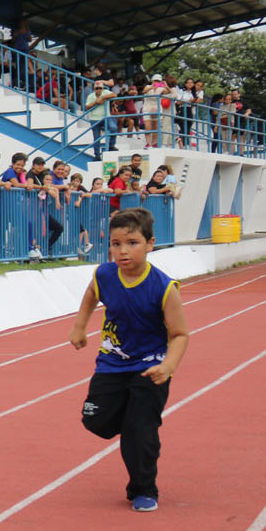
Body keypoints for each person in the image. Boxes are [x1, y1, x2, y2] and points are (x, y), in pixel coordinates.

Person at [68, 207, 188, 512]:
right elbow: (91, 295)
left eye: (132, 243)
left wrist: (168, 366)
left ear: (150, 243)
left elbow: (179, 334)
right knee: (95, 419)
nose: (123, 251)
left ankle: (143, 489)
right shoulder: (105, 274)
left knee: (140, 430)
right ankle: (135, 425)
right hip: (111, 364)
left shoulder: (163, 287)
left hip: (151, 367)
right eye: (116, 243)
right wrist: (79, 327)